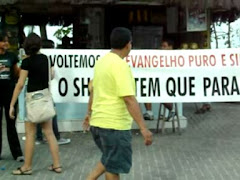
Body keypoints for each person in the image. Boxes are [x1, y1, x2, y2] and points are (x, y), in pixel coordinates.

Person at [83, 27, 153, 180]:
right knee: (113, 167)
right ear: (128, 45)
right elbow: (129, 99)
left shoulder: (101, 62)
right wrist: (143, 128)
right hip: (114, 126)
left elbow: (93, 90)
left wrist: (89, 113)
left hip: (98, 125)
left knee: (110, 159)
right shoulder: (121, 66)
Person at [9, 33, 62, 175]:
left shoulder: (26, 62)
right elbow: (50, 76)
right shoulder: (46, 59)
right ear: (39, 45)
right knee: (50, 133)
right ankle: (57, 165)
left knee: (30, 134)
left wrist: (12, 104)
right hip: (45, 99)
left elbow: (20, 84)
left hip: (32, 101)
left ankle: (27, 166)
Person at [35, 39, 71, 145]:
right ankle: (56, 137)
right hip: (45, 91)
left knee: (38, 114)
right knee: (52, 113)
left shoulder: (32, 59)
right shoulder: (45, 60)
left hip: (34, 92)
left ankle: (39, 137)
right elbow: (51, 76)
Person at [0, 33, 24, 162]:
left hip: (10, 94)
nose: (6, 44)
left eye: (7, 41)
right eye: (3, 41)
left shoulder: (11, 56)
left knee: (11, 124)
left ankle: (17, 153)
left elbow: (17, 73)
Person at [143, 39, 174, 121]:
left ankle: (172, 110)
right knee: (146, 89)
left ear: (170, 47)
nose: (162, 48)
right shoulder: (158, 56)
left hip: (169, 83)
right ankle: (149, 112)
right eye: (161, 46)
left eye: (164, 46)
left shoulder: (174, 57)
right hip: (158, 80)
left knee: (159, 94)